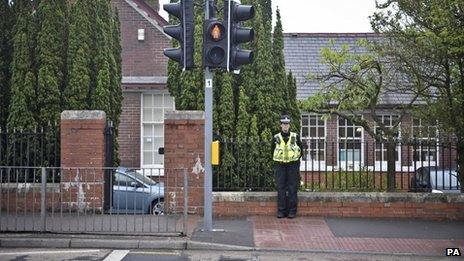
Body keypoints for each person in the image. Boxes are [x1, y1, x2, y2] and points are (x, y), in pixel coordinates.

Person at [271, 115, 303, 219]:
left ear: (289, 125)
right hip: (280, 165)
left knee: (292, 188)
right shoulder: (276, 138)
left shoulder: (295, 136)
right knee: (281, 188)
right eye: (284, 124)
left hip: (293, 165)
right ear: (280, 125)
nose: (285, 126)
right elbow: (272, 151)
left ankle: (292, 212)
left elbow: (301, 151)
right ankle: (281, 211)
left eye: (287, 124)